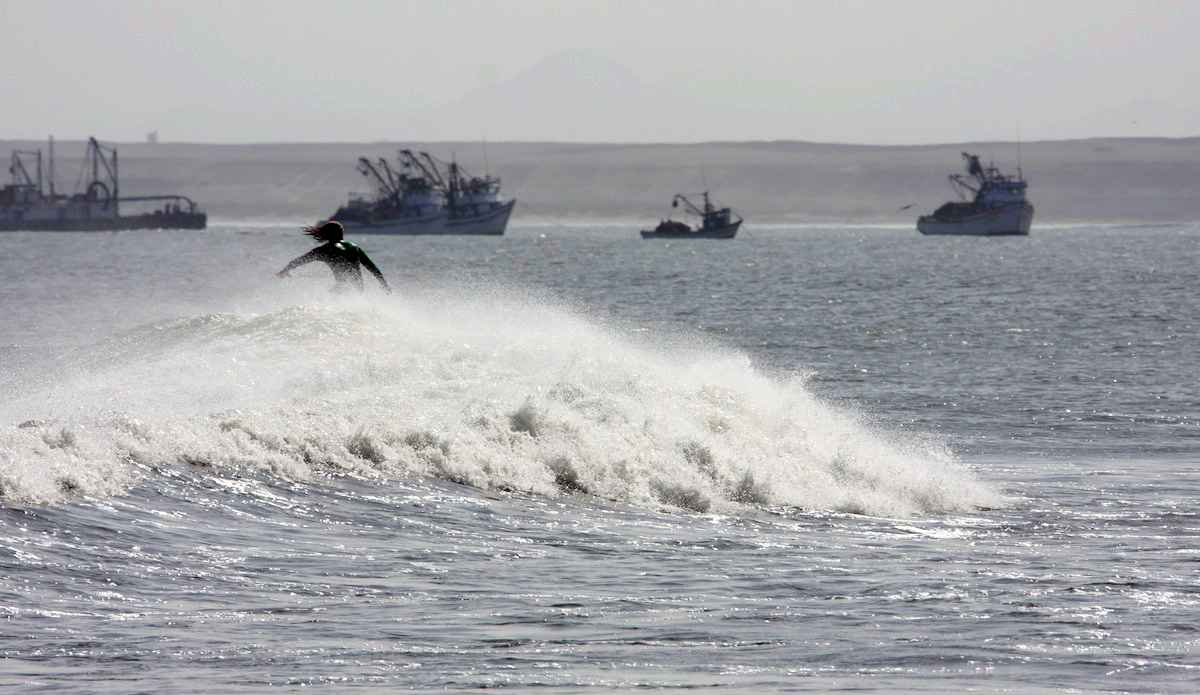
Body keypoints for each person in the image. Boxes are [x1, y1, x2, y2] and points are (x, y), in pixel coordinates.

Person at [276, 221, 391, 294]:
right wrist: (383, 284)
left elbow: (300, 261)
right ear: (341, 234)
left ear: (326, 234)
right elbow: (371, 266)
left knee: (319, 307)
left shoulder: (323, 250)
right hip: (358, 289)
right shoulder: (353, 247)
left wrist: (285, 270)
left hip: (343, 287)